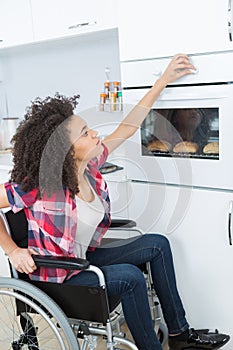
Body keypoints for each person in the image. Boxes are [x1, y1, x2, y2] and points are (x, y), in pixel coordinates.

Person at [0, 54, 230, 350]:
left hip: (83, 260)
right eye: (85, 133)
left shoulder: (90, 166)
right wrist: (13, 250)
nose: (95, 133)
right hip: (59, 278)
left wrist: (162, 81)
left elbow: (127, 128)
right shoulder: (42, 184)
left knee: (157, 244)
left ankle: (179, 334)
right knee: (131, 277)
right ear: (68, 151)